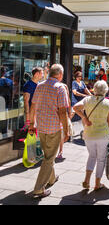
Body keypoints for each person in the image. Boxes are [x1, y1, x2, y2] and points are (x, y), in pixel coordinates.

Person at [29, 64, 69, 199]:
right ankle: (39, 189)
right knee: (49, 158)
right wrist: (67, 131)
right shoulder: (60, 88)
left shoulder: (40, 85)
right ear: (60, 75)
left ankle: (51, 178)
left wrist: (31, 124)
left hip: (41, 126)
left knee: (48, 155)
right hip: (53, 128)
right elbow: (63, 112)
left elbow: (33, 105)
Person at [73, 80, 109, 191]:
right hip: (103, 135)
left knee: (92, 156)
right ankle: (97, 183)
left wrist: (84, 117)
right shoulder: (108, 103)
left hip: (89, 134)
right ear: (105, 90)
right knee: (101, 159)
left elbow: (75, 107)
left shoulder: (87, 99)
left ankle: (87, 180)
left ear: (95, 89)